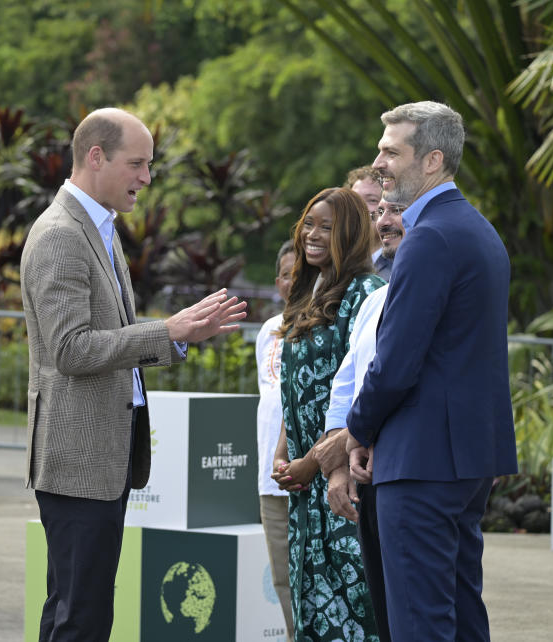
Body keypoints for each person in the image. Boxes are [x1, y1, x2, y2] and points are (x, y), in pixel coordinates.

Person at [20, 106, 247, 642]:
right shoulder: (60, 234)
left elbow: (102, 339)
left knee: (77, 609)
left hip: (98, 460)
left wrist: (176, 335)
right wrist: (168, 331)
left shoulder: (98, 226)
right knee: (82, 615)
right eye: (138, 164)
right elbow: (71, 350)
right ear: (95, 157)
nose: (147, 178)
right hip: (78, 462)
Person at [345, 101, 517, 642]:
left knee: (420, 624)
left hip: (421, 462)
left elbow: (395, 363)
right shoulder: (475, 229)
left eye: (391, 151)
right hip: (462, 460)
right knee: (462, 618)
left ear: (433, 161)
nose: (379, 163)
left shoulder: (430, 236)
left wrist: (357, 429)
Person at [270, 187, 384, 642]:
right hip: (306, 490)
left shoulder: (367, 294)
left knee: (353, 614)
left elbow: (361, 393)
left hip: (344, 482)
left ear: (352, 235)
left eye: (327, 228)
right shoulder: (309, 291)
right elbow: (292, 392)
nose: (313, 235)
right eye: (308, 224)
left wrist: (313, 463)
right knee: (311, 613)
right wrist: (284, 457)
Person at [323, 194, 408, 642]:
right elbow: (346, 385)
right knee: (384, 608)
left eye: (397, 212)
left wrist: (359, 438)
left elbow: (401, 378)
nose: (386, 222)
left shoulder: (407, 295)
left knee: (416, 608)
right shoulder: (374, 303)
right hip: (364, 474)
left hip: (406, 467)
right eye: (380, 215)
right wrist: (340, 458)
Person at [254, 240, 297, 641]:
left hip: (312, 473)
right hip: (272, 478)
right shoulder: (268, 330)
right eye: (286, 273)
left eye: (300, 271)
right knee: (282, 579)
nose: (292, 280)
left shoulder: (329, 323)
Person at [345, 166, 386, 278]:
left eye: (372, 200)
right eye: (355, 200)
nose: (360, 208)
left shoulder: (399, 265)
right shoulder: (337, 262)